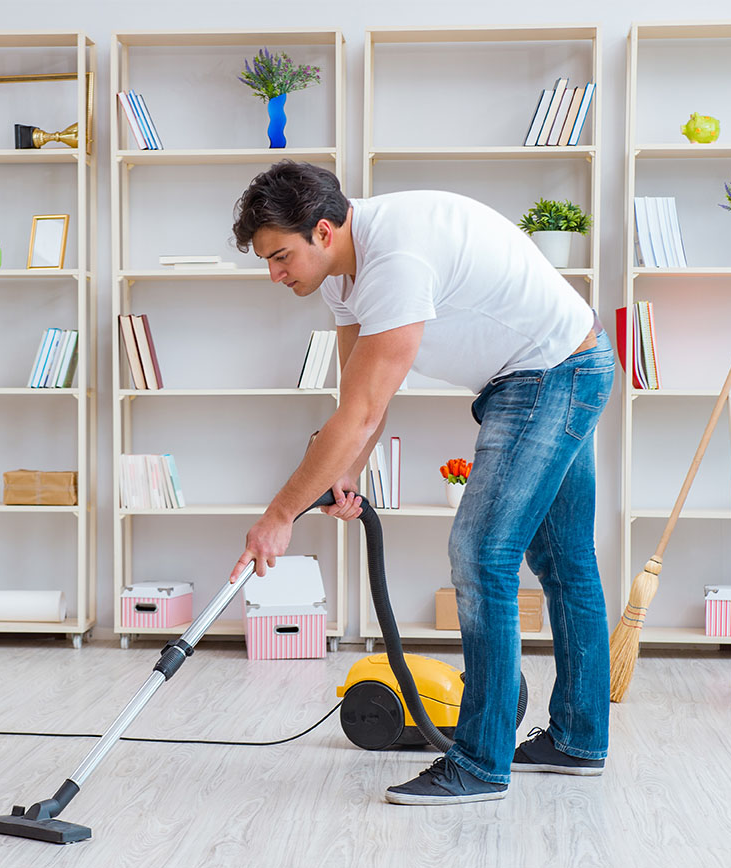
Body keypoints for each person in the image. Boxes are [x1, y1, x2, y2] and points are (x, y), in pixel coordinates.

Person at [227, 161, 614, 806]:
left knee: (481, 554)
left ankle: (480, 763)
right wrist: (344, 473)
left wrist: (279, 516)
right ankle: (577, 741)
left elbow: (359, 415)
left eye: (279, 256)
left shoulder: (395, 257)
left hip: (548, 375)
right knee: (563, 559)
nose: (274, 272)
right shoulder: (343, 277)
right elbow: (365, 399)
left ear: (323, 231)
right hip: (563, 364)